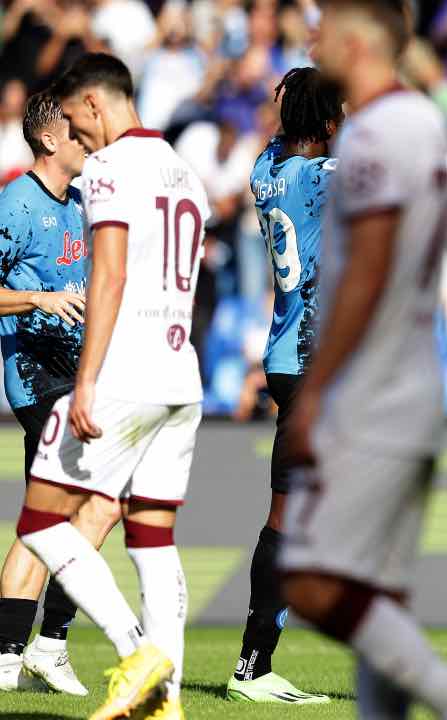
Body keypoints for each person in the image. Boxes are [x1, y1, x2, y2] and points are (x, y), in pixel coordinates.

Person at [278, 2, 447, 718]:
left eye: (326, 25)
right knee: (380, 596)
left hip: (372, 389)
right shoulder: (422, 120)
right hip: (415, 379)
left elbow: (367, 268)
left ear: (358, 41)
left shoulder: (376, 130)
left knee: (307, 582)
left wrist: (316, 392)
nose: (312, 37)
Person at [17, 52, 211, 720]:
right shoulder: (187, 172)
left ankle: (140, 657)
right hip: (182, 373)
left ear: (96, 104)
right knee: (153, 536)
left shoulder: (107, 169)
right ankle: (168, 702)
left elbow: (111, 275)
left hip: (125, 369)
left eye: (75, 120)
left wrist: (89, 380)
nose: (76, 137)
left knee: (42, 520)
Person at [0, 90, 121, 696]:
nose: (87, 140)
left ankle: (20, 649)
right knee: (101, 498)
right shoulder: (15, 205)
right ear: (50, 139)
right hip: (36, 376)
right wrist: (37, 299)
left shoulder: (80, 204)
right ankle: (44, 643)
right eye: (76, 131)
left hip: (76, 376)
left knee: (60, 515)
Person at [224, 66, 339, 705]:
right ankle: (254, 666)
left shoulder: (266, 170)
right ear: (326, 126)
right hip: (313, 362)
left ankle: (257, 660)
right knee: (289, 517)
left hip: (290, 354)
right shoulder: (327, 180)